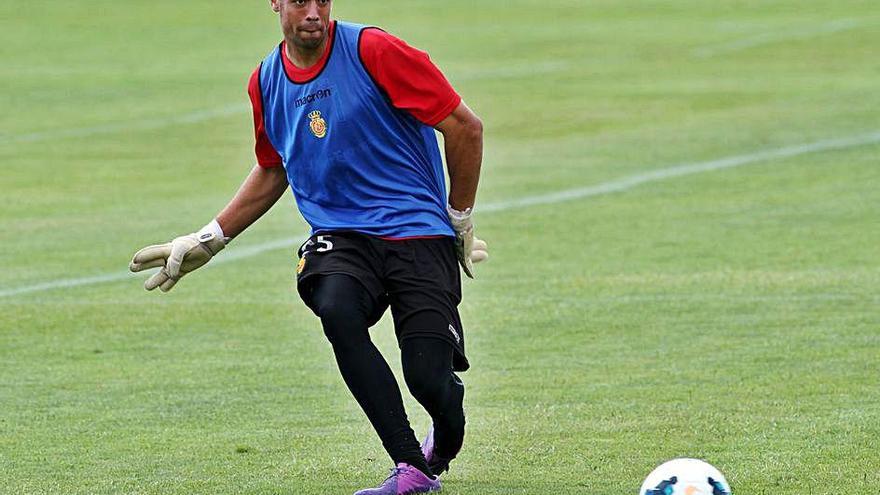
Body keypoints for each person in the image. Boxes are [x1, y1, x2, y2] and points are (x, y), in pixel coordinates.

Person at [128, 1, 487, 493]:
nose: (313, 11)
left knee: (427, 378)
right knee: (336, 306)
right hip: (341, 235)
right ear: (275, 3)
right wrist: (209, 239)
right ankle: (410, 467)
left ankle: (445, 431)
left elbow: (465, 126)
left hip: (417, 231)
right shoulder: (266, 81)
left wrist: (459, 218)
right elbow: (273, 167)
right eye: (300, 0)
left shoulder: (375, 50)